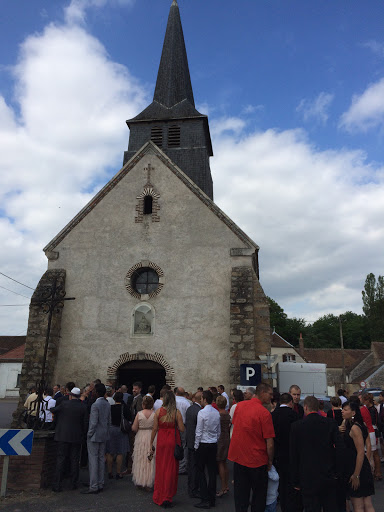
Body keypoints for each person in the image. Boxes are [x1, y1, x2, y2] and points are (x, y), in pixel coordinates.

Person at [290, 396, 342, 512]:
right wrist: (337, 472)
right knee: (330, 506)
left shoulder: (296, 426)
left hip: (307, 476)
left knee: (311, 507)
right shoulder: (330, 423)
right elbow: (339, 448)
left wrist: (295, 480)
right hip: (328, 473)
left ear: (306, 407)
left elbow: (294, 455)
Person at [228, 382, 275, 512]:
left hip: (239, 458)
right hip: (257, 460)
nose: (271, 397)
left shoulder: (239, 406)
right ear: (263, 393)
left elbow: (236, 425)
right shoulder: (264, 413)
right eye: (270, 394)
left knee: (240, 496)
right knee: (259, 497)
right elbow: (269, 442)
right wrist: (270, 460)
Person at [150, 390, 185, 508]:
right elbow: (182, 429)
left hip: (161, 440)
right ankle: (167, 496)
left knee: (161, 468)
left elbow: (155, 428)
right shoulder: (176, 412)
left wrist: (151, 443)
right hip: (172, 442)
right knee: (171, 469)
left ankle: (159, 494)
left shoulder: (158, 412)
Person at [50, 387, 88, 492]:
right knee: (75, 460)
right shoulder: (83, 407)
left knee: (61, 459)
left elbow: (53, 410)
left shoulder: (64, 404)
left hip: (62, 435)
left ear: (70, 395)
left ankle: (57, 484)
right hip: (76, 437)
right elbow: (85, 423)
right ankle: (73, 483)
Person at [341, 401, 375, 512]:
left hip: (356, 468)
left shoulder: (355, 428)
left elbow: (360, 452)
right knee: (366, 503)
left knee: (359, 506)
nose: (342, 411)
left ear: (353, 412)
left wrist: (356, 475)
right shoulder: (358, 424)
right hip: (360, 467)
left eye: (345, 409)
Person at [82, 383, 111, 494]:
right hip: (103, 434)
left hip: (94, 435)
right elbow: (109, 421)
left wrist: (89, 434)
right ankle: (100, 482)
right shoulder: (107, 404)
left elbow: (93, 422)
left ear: (97, 392)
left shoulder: (95, 405)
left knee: (93, 460)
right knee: (100, 459)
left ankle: (93, 485)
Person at [194, 390, 221, 509]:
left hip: (203, 444)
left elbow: (198, 431)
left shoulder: (202, 413)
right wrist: (215, 439)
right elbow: (218, 431)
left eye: (201, 398)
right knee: (212, 472)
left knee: (200, 471)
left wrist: (196, 446)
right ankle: (212, 498)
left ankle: (205, 498)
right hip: (213, 443)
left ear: (205, 399)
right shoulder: (216, 412)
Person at [271, 392, 298, 512]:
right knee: (290, 483)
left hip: (276, 453)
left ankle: (280, 503)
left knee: (278, 481)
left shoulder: (272, 415)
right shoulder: (294, 415)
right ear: (291, 402)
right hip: (291, 454)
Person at [105, 391, 131, 480]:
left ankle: (109, 472)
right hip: (121, 430)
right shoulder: (125, 408)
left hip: (111, 429)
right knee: (120, 452)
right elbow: (130, 418)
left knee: (110, 451)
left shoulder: (110, 407)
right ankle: (118, 472)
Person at [132, 395, 156, 489]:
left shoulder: (139, 414)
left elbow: (134, 428)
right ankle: (149, 480)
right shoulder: (155, 414)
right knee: (150, 459)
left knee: (140, 458)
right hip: (151, 436)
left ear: (143, 404)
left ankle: (140, 480)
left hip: (141, 436)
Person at [185, 391, 203, 498]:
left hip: (190, 440)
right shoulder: (199, 411)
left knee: (191, 466)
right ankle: (194, 489)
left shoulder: (190, 409)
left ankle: (191, 487)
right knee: (195, 467)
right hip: (195, 442)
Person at [362, 393, 382, 480]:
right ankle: (377, 472)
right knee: (375, 453)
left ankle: (378, 472)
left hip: (373, 430)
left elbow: (373, 421)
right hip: (374, 430)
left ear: (367, 400)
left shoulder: (371, 410)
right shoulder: (372, 408)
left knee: (375, 453)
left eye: (364, 400)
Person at [216, 394, 231, 498]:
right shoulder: (227, 414)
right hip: (226, 437)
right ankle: (226, 485)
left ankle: (223, 487)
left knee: (220, 462)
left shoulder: (219, 415)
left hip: (220, 438)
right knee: (224, 463)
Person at [175, 386, 190, 474]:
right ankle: (182, 466)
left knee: (174, 444)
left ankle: (175, 464)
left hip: (172, 425)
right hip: (183, 425)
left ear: (176, 393)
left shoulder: (172, 401)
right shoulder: (186, 403)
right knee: (184, 445)